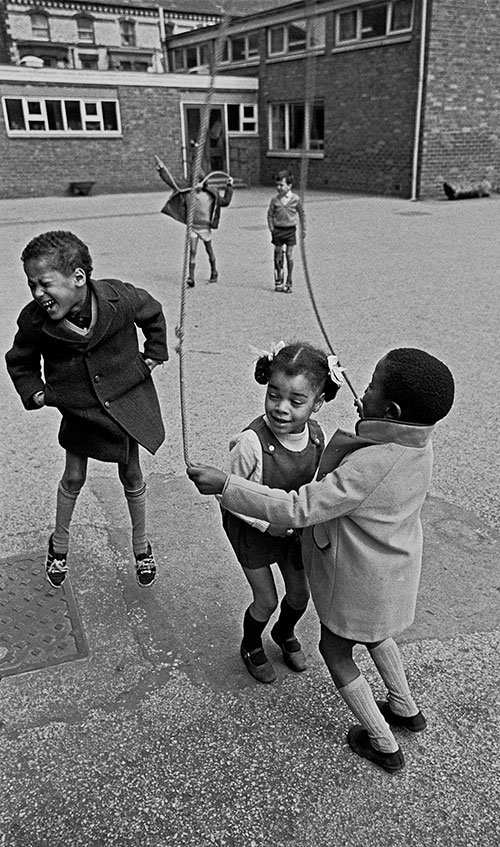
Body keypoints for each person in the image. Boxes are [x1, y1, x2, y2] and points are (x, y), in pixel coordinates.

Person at [187, 348, 455, 773]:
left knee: (335, 649)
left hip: (358, 578)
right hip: (394, 575)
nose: (360, 393)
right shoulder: (416, 446)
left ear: (392, 409)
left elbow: (300, 507)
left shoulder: (371, 464)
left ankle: (382, 741)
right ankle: (405, 707)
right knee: (377, 634)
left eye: (369, 389)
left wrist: (228, 485)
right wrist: (374, 417)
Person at [5, 230, 168, 589]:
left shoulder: (119, 299)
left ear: (79, 278)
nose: (37, 294)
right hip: (79, 411)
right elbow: (20, 361)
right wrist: (37, 394)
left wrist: (153, 356)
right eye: (32, 285)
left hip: (124, 405)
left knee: (133, 475)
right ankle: (59, 545)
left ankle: (140, 545)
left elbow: (152, 312)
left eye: (45, 284)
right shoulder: (35, 321)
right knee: (74, 477)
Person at [222, 341, 342, 684]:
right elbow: (230, 496)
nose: (281, 408)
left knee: (300, 595)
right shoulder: (250, 443)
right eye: (274, 395)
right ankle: (250, 644)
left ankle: (283, 632)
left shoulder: (317, 436)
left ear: (317, 404)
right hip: (253, 531)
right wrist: (265, 522)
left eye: (296, 401)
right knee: (265, 599)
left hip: (293, 529)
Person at [155, 156, 233, 287]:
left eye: (198, 181)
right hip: (193, 227)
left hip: (205, 228)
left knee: (209, 250)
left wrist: (229, 186)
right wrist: (162, 170)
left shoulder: (211, 194)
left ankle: (214, 271)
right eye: (193, 181)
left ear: (204, 181)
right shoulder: (187, 193)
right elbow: (172, 184)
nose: (195, 184)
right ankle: (191, 277)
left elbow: (225, 201)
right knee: (192, 251)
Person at [267, 170, 305, 294]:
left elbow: (302, 214)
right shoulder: (274, 200)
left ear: (289, 186)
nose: (279, 188)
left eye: (281, 185)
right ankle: (279, 280)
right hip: (278, 230)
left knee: (289, 255)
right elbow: (270, 215)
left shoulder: (296, 199)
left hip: (290, 231)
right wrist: (272, 228)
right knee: (278, 254)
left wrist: (303, 229)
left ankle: (289, 281)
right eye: (277, 185)